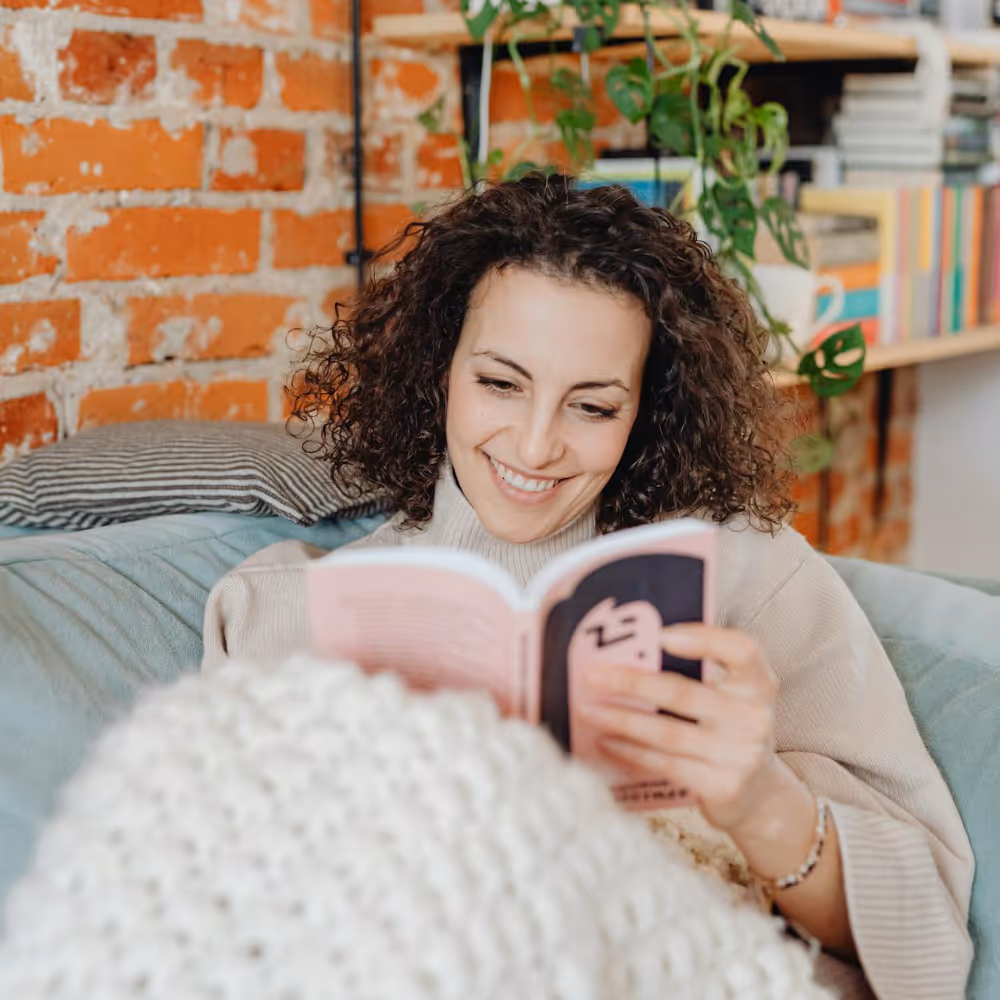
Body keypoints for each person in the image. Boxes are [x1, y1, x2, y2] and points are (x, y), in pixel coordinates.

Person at [202, 174, 973, 999]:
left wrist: (758, 802)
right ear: (437, 370)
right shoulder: (286, 609)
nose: (535, 448)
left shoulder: (751, 574)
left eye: (593, 407)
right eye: (500, 384)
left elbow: (925, 944)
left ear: (647, 407)